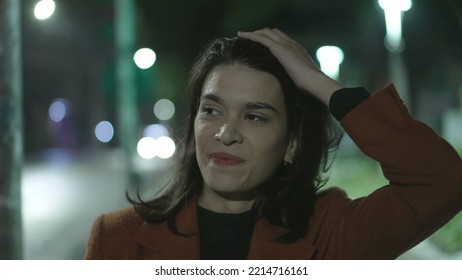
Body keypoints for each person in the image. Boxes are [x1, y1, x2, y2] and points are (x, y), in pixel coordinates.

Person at [84, 28, 462, 260]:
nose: (225, 133)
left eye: (254, 116)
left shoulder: (334, 235)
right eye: (212, 110)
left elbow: (441, 180)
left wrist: (318, 82)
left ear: (292, 144)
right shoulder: (118, 242)